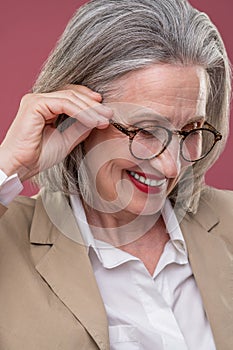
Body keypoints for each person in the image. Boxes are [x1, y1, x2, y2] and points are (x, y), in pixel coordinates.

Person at [0, 0, 232, 349]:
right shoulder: (9, 240)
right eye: (146, 130)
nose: (172, 167)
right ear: (77, 117)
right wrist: (11, 164)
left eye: (192, 128)